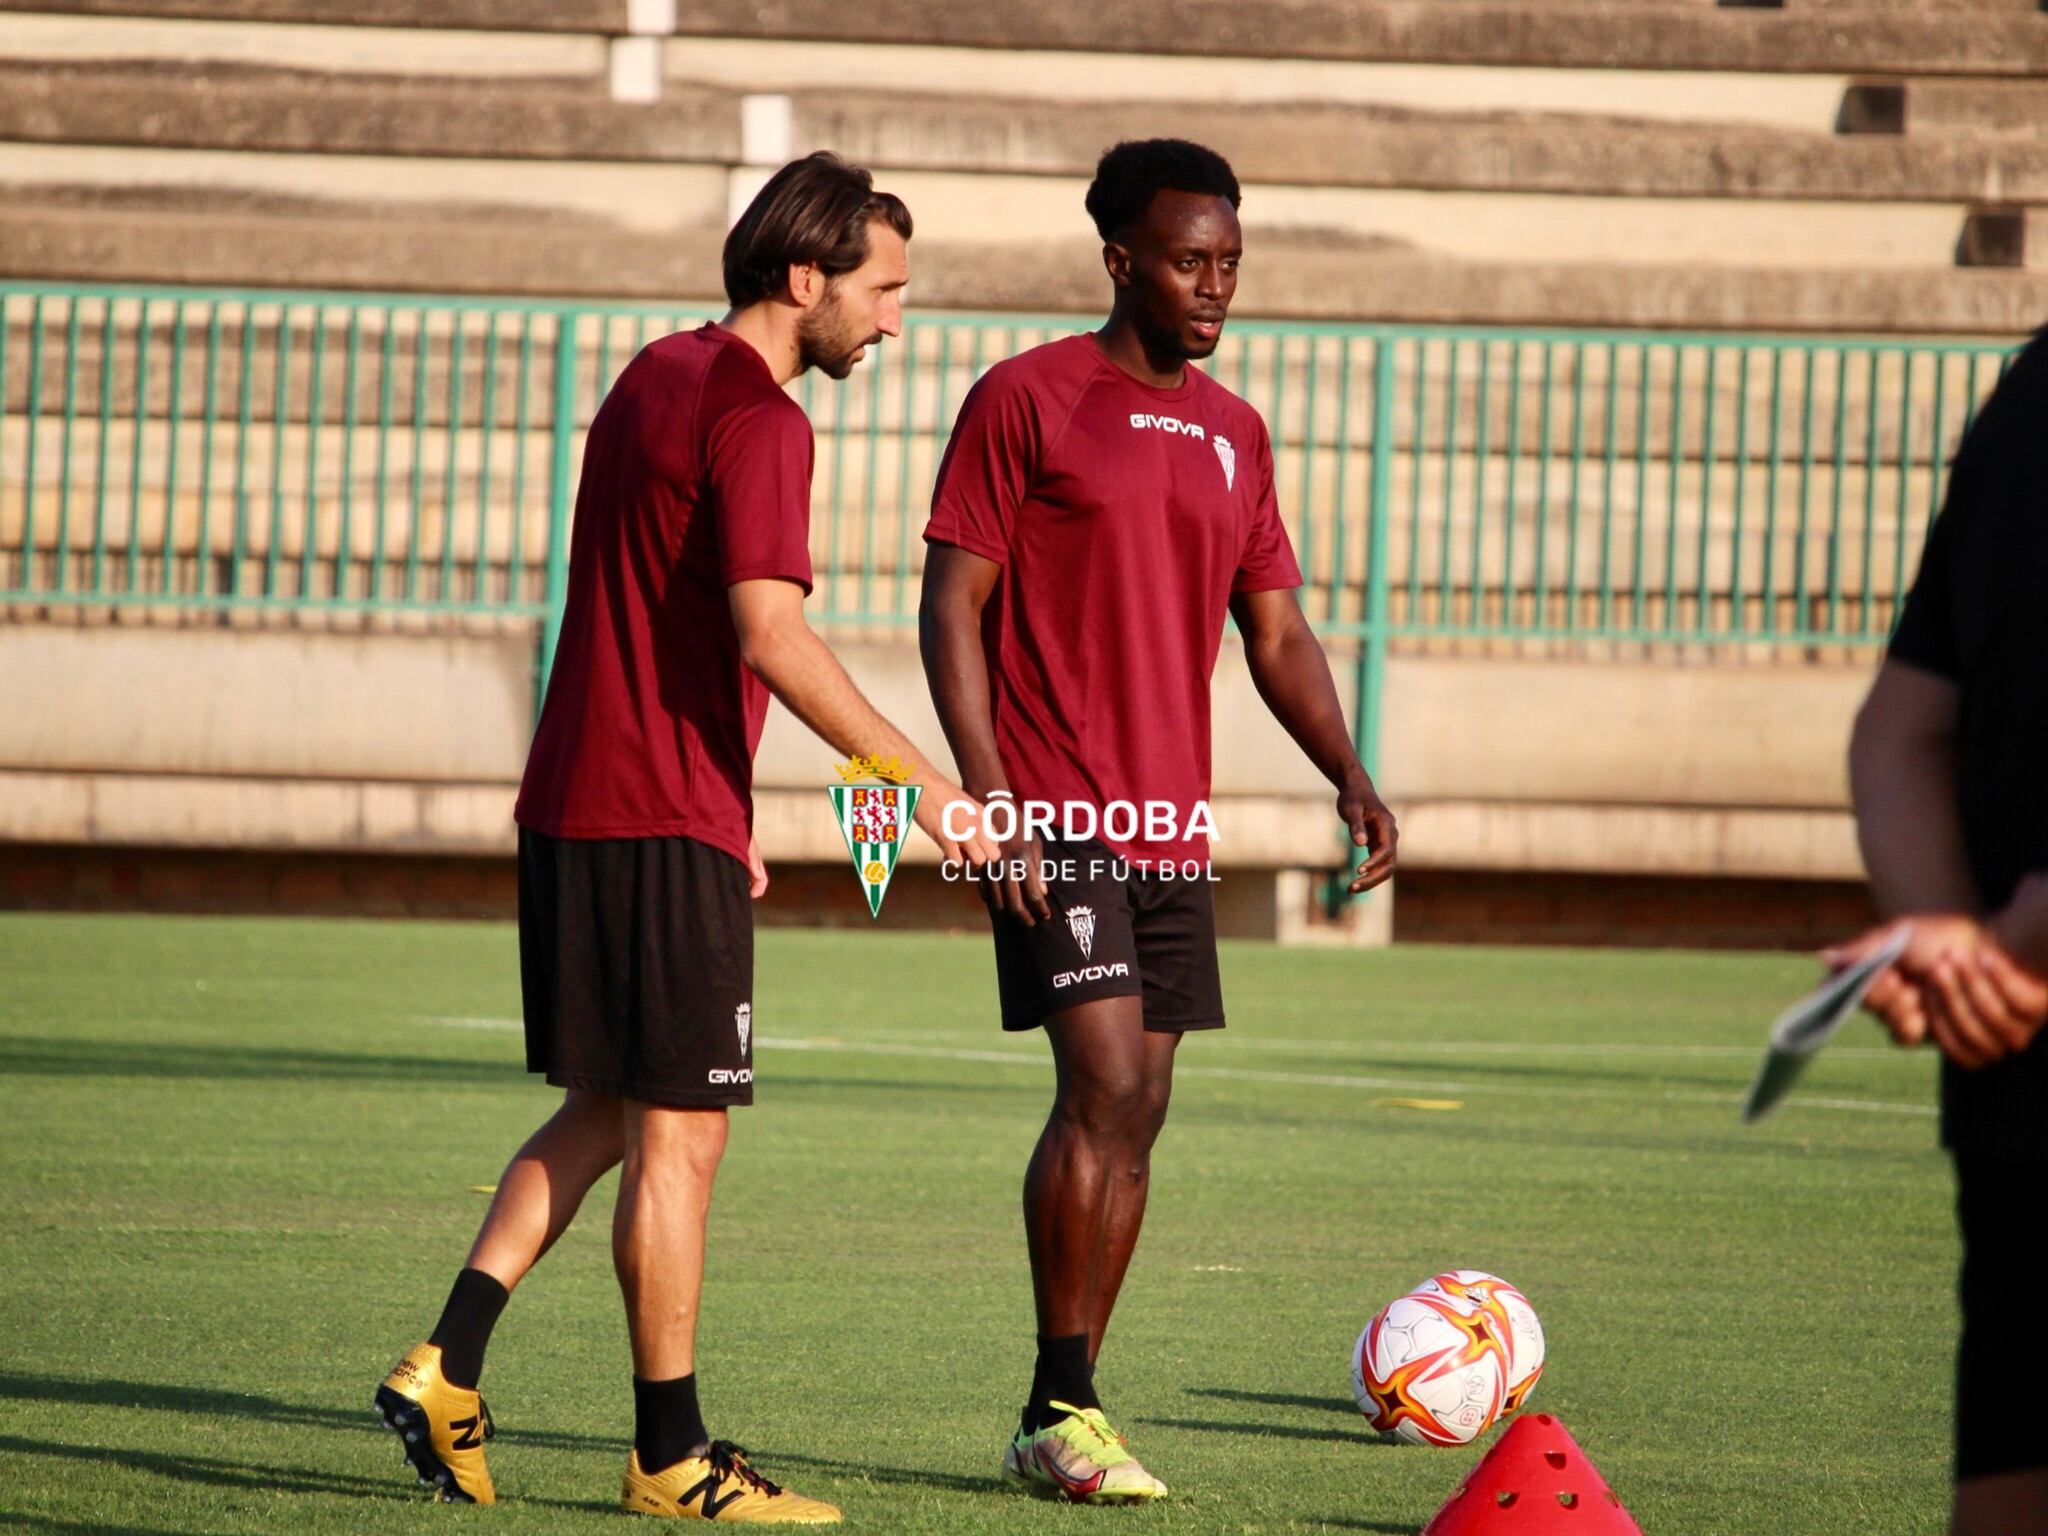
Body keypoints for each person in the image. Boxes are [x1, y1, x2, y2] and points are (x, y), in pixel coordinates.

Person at [373, 152, 996, 1523]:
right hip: (654, 815)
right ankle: (671, 1456)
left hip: (580, 802)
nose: (895, 321)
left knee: (609, 1105)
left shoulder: (654, 367)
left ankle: (446, 1365)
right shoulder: (768, 422)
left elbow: (665, 616)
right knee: (684, 1135)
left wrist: (730, 812)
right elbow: (771, 635)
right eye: (883, 291)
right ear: (804, 275)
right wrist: (930, 792)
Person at [917, 138, 1399, 1503]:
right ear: (1121, 258)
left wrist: (1348, 774)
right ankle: (1060, 1402)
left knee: (1144, 1112)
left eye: (1231, 264)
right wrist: (989, 800)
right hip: (1055, 810)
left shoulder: (1235, 431)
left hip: (1170, 824)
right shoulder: (1027, 399)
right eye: (1191, 261)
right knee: (1107, 1084)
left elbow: (1280, 631)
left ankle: (1064, 1413)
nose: (1215, 286)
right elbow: (952, 603)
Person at [1826, 330, 2048, 1536]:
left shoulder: (2025, 392)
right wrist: (1969, 942)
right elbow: (1901, 725)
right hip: (2015, 1068)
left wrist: (1976, 943)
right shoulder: (2028, 395)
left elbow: (1895, 731)